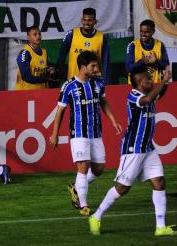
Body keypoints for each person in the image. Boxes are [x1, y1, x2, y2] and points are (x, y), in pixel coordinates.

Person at [89, 66, 177, 237]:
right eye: (147, 79)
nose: (151, 81)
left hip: (148, 148)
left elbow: (158, 94)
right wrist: (163, 82)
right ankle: (96, 216)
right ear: (139, 83)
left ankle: (160, 227)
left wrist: (166, 81)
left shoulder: (149, 94)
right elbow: (147, 100)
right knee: (123, 188)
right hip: (133, 149)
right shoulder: (134, 96)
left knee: (159, 181)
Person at [49, 51, 122, 216]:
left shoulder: (98, 83)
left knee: (99, 169)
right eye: (93, 66)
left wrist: (113, 120)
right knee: (83, 166)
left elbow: (103, 101)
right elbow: (60, 111)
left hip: (96, 132)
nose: (96, 68)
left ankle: (76, 187)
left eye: (96, 65)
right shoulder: (68, 86)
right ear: (83, 67)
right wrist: (54, 134)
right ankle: (83, 205)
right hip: (79, 132)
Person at [57, 8, 110, 84]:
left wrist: (106, 82)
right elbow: (61, 55)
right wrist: (59, 73)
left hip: (94, 81)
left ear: (95, 21)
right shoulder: (72, 34)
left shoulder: (102, 37)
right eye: (85, 20)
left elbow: (106, 62)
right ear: (81, 20)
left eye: (90, 20)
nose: (86, 23)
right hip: (74, 80)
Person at [125, 19, 169, 84]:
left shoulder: (160, 45)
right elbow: (128, 68)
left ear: (153, 32)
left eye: (146, 32)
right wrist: (142, 62)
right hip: (136, 86)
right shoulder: (132, 45)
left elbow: (167, 66)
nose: (143, 34)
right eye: (141, 31)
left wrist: (155, 62)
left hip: (155, 85)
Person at [15, 26, 57, 90]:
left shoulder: (44, 52)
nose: (38, 36)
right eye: (35, 34)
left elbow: (43, 69)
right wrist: (45, 79)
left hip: (41, 91)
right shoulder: (25, 53)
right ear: (28, 37)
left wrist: (49, 70)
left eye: (39, 34)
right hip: (25, 92)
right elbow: (26, 77)